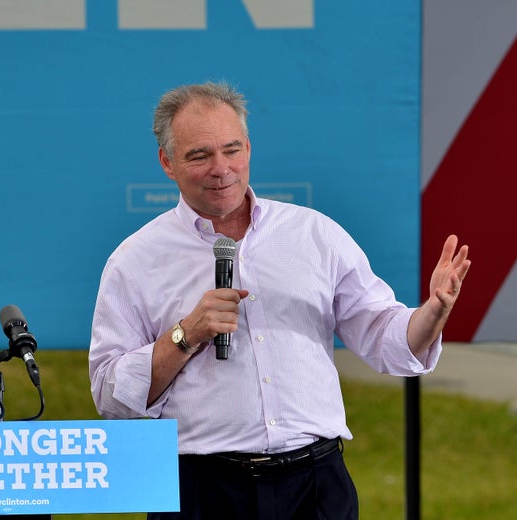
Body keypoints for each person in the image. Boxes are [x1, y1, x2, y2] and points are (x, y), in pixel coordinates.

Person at [88, 81, 471, 519]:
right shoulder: (135, 260)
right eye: (200, 155)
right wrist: (185, 335)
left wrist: (433, 312)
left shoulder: (312, 234)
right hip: (200, 489)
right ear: (167, 163)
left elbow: (387, 337)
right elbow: (111, 396)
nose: (221, 168)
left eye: (232, 150)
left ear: (248, 149)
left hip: (315, 484)